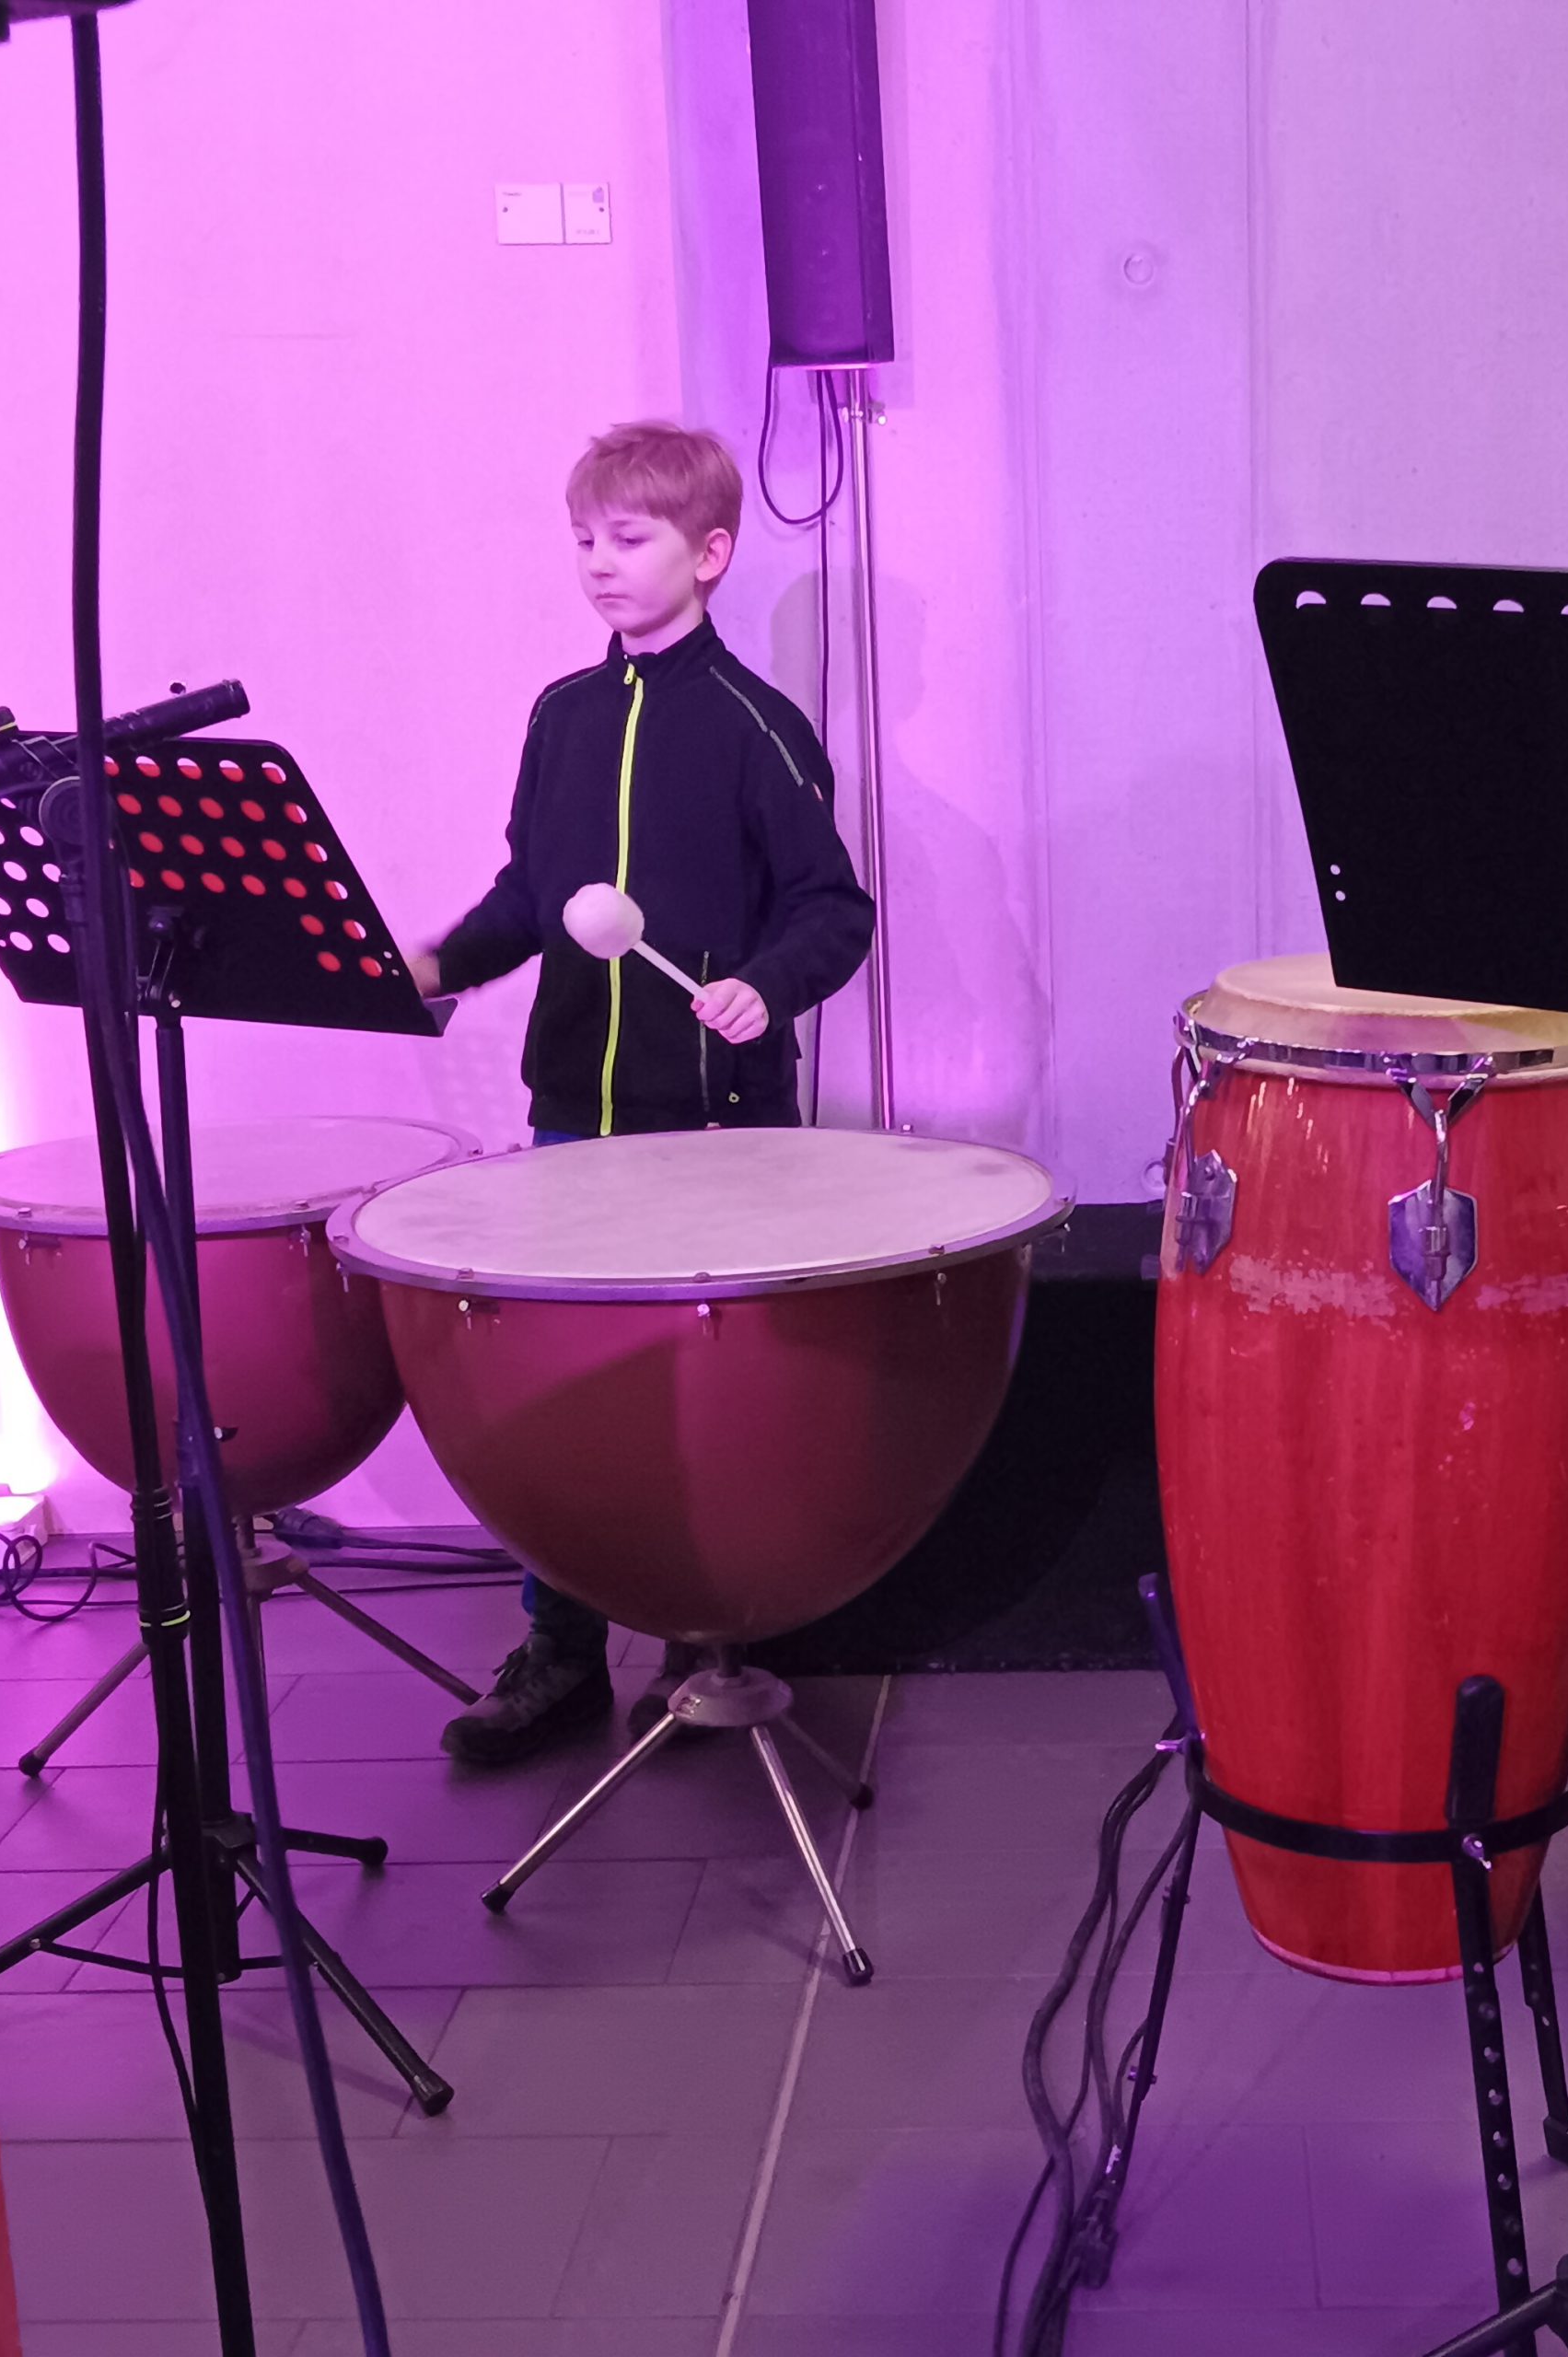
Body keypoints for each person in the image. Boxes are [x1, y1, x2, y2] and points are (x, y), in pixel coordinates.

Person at [411, 421, 875, 1766]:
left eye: (629, 538)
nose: (599, 563)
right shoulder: (561, 716)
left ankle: (706, 1635)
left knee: (702, 1398)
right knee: (562, 1393)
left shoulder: (756, 725)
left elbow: (832, 908)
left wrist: (768, 988)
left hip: (715, 1122)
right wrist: (438, 960)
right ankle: (558, 1648)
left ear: (710, 554)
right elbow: (533, 899)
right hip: (575, 1113)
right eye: (585, 540)